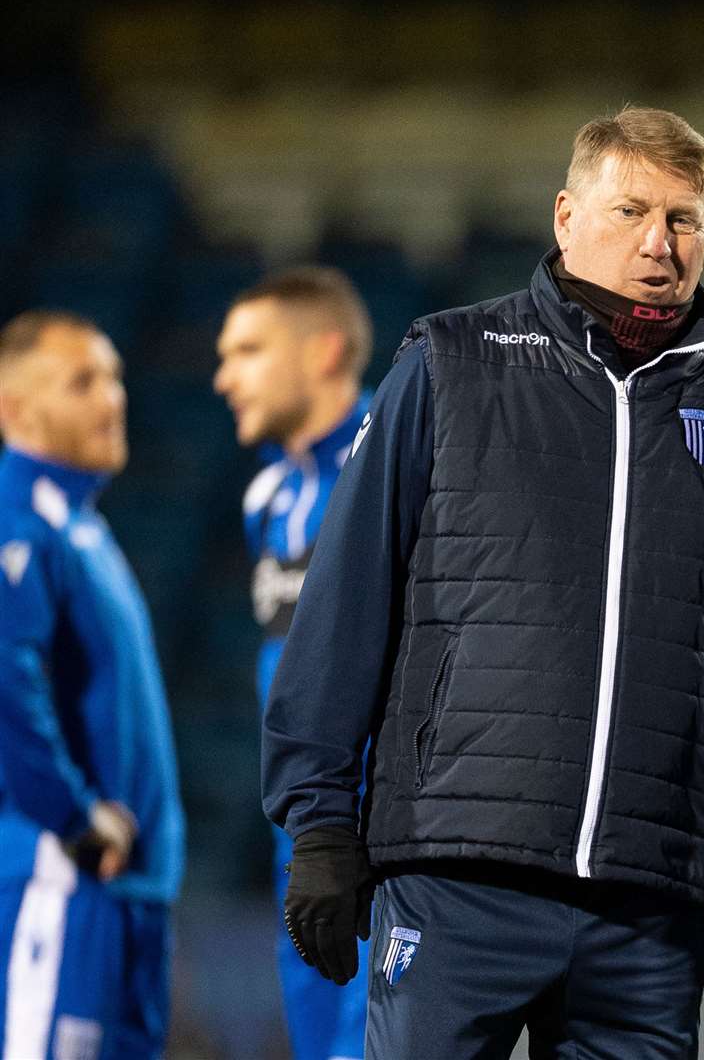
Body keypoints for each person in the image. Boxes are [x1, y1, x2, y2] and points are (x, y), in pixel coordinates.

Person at [260, 107, 704, 1058]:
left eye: (684, 219)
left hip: (647, 906)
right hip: (457, 878)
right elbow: (343, 601)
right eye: (631, 212)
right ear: (565, 217)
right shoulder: (451, 364)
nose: (659, 245)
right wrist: (320, 824)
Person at [0, 310, 185, 1060]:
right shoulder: (18, 523)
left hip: (128, 897)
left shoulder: (82, 527)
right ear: (15, 409)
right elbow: (7, 686)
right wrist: (74, 818)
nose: (112, 399)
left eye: (112, 377)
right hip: (62, 880)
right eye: (82, 382)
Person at [214, 266, 373, 1060]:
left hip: (382, 841)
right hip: (299, 843)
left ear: (323, 353)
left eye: (247, 351)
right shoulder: (266, 496)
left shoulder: (395, 458)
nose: (224, 377)